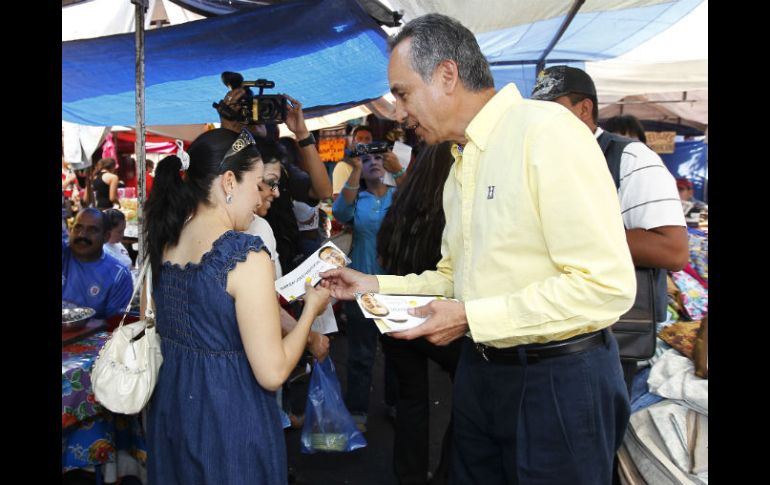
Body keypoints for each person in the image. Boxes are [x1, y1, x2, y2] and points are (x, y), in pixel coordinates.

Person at [321, 14, 636, 484]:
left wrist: (471, 318)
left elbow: (604, 287)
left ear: (447, 76)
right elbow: (454, 277)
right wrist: (373, 284)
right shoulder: (460, 159)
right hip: (483, 374)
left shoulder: (545, 132)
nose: (401, 113)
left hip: (558, 382)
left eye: (404, 93)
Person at [143, 128, 330, 484]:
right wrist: (310, 311)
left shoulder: (166, 239)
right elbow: (273, 372)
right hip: (228, 418)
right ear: (229, 181)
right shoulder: (244, 256)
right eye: (258, 184)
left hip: (173, 413)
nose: (261, 198)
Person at [530, 65, 688, 392]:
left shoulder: (630, 158)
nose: (539, 121)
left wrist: (569, 232)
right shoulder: (541, 160)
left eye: (551, 110)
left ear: (584, 108)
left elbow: (672, 250)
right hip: (549, 327)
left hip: (608, 337)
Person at [376, 141, 461, 485]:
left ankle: (409, 476)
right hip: (436, 311)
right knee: (469, 395)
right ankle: (445, 475)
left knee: (412, 398)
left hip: (395, 312)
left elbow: (384, 255)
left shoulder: (402, 202)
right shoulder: (452, 206)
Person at [217, 83, 332, 273]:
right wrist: (228, 127)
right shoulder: (227, 166)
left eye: (273, 183)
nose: (274, 193)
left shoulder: (279, 166)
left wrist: (302, 133)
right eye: (248, 115)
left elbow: (324, 191)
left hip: (284, 260)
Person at [332, 146, 398, 432]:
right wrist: (355, 172)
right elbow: (338, 211)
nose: (373, 162)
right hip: (359, 287)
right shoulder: (357, 198)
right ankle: (357, 411)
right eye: (367, 158)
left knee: (397, 350)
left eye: (378, 157)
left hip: (397, 287)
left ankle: (396, 403)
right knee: (360, 354)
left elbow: (422, 205)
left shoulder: (400, 195)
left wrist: (400, 170)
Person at [62, 208, 134, 320]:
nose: (82, 235)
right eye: (78, 227)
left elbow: (114, 326)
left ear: (106, 236)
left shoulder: (118, 275)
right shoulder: (63, 255)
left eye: (92, 230)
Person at [333, 125, 408, 194]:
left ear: (372, 142)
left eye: (367, 139)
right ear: (353, 141)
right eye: (360, 138)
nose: (364, 142)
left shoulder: (379, 164)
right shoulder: (343, 166)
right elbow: (338, 200)